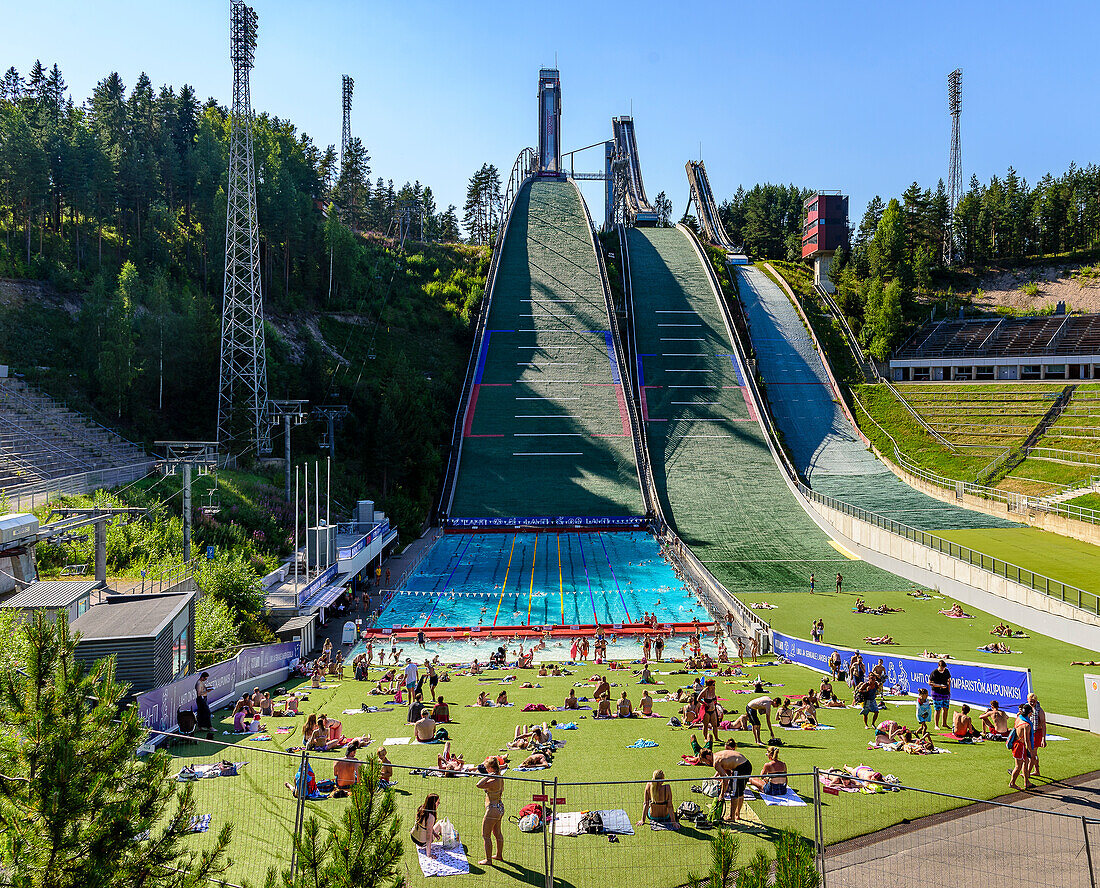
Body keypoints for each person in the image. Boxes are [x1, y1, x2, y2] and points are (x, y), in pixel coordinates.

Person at [713, 739, 753, 822]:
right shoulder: (731, 756)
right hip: (747, 765)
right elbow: (727, 773)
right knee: (740, 792)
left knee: (734, 793)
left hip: (740, 768)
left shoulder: (719, 758)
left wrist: (722, 794)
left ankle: (732, 817)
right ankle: (737, 814)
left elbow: (726, 779)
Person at [476, 758, 505, 865]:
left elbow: (478, 785)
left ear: (492, 769)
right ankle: (499, 855)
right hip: (500, 808)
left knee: (486, 835)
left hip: (492, 810)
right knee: (497, 833)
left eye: (487, 768)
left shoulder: (492, 781)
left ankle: (488, 860)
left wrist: (488, 776)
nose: (486, 770)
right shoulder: (500, 777)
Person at [1009, 703, 1035, 790]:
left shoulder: (1019, 718)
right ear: (1029, 713)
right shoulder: (1026, 725)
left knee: (1026, 762)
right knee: (1018, 766)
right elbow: (1027, 739)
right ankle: (1012, 783)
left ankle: (1026, 782)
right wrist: (1031, 751)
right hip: (1020, 746)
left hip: (1017, 744)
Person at [410, 793, 443, 858]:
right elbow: (428, 836)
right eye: (437, 802)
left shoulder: (421, 808)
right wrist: (429, 854)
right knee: (440, 823)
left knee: (428, 828)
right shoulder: (431, 817)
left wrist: (434, 833)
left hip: (413, 837)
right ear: (433, 803)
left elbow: (424, 826)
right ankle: (448, 843)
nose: (439, 803)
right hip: (421, 843)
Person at [929, 659, 952, 728]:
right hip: (937, 692)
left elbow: (949, 681)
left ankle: (944, 723)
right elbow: (930, 683)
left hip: (945, 692)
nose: (943, 669)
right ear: (939, 666)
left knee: (946, 708)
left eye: (944, 668)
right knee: (938, 709)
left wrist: (949, 691)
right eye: (942, 668)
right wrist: (940, 685)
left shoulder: (946, 671)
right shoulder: (934, 672)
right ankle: (936, 725)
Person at [1028, 693, 1047, 777]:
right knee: (1032, 753)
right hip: (1030, 732)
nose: (1032, 703)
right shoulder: (1027, 708)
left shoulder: (1039, 711)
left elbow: (1043, 725)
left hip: (1037, 733)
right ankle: (1036, 770)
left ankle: (1028, 772)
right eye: (1030, 701)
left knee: (1033, 753)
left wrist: (1043, 739)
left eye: (1034, 702)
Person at [194, 671, 214, 740]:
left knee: (201, 712)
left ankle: (200, 726)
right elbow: (199, 693)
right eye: (205, 679)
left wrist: (208, 688)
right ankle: (209, 726)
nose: (205, 680)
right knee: (207, 712)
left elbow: (203, 689)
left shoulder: (201, 682)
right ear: (202, 677)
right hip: (201, 699)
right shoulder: (199, 683)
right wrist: (207, 690)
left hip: (203, 698)